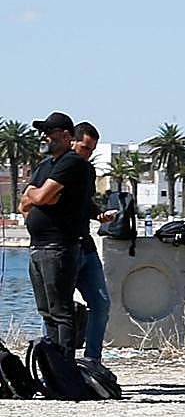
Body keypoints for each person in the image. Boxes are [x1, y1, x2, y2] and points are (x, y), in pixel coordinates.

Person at [19, 111, 91, 356]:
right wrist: (40, 198)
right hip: (37, 247)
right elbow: (24, 204)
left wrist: (38, 197)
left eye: (49, 132)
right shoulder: (44, 166)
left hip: (58, 247)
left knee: (61, 311)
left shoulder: (71, 163)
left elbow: (37, 196)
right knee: (46, 312)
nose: (44, 136)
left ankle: (65, 366)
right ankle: (52, 365)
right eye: (43, 131)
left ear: (66, 135)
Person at [71, 122, 117, 364]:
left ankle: (92, 361)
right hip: (63, 248)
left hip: (85, 246)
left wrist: (100, 215)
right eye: (84, 148)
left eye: (91, 150)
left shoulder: (87, 172)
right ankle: (59, 363)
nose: (87, 154)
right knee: (59, 311)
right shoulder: (56, 168)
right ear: (72, 142)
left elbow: (85, 204)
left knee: (100, 303)